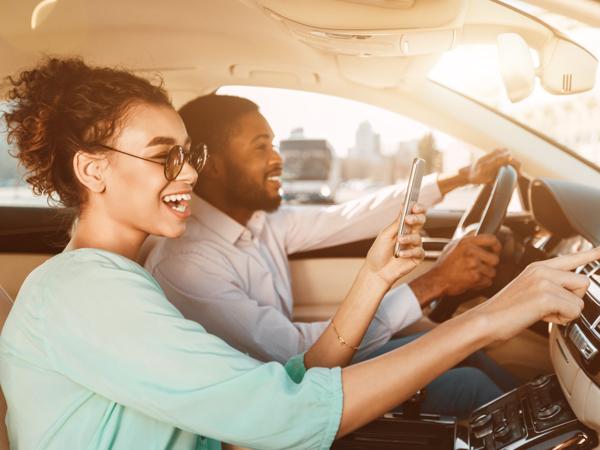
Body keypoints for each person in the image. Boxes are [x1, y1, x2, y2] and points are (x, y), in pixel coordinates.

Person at [0, 58, 595, 450]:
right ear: (93, 168)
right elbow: (282, 414)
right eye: (164, 156)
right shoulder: (86, 292)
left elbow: (281, 383)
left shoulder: (112, 281)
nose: (186, 175)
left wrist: (373, 279)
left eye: (189, 156)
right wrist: (487, 317)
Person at [144, 94, 518, 417]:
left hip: (309, 374)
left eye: (274, 144)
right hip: (287, 401)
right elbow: (298, 354)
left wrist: (462, 178)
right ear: (212, 165)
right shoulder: (188, 264)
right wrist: (432, 283)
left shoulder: (261, 222)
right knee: (468, 385)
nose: (278, 159)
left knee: (466, 353)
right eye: (261, 147)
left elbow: (349, 217)